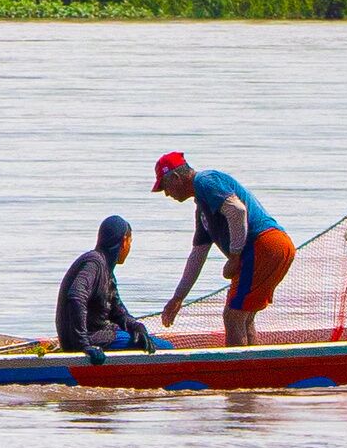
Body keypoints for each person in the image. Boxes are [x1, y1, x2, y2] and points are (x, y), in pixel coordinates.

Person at [155, 149, 293, 343]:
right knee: (244, 316)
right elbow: (198, 254)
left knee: (233, 316)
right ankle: (252, 366)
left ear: (176, 177)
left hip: (264, 244)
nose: (167, 193)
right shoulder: (203, 209)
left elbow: (237, 211)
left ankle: (239, 372)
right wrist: (178, 298)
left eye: (165, 186)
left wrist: (235, 256)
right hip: (279, 247)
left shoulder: (204, 180)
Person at [57, 213, 159, 357]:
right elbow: (76, 295)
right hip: (89, 341)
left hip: (94, 338)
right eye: (130, 242)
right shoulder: (94, 263)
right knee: (165, 346)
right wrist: (83, 344)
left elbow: (118, 312)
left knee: (144, 338)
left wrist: (137, 326)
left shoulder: (106, 270)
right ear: (124, 241)